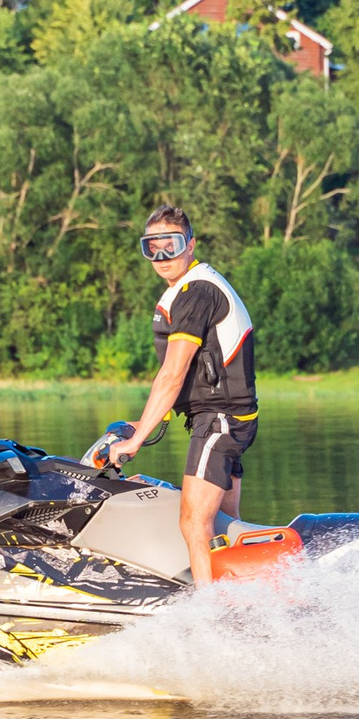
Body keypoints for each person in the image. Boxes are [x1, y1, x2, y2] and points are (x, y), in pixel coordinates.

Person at [110, 206, 258, 589]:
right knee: (224, 524)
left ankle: (210, 615)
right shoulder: (190, 288)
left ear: (190, 245)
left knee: (193, 521)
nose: (161, 257)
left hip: (220, 421)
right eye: (151, 247)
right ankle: (240, 591)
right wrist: (141, 423)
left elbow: (174, 373)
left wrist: (138, 439)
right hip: (224, 421)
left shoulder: (197, 292)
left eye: (170, 245)